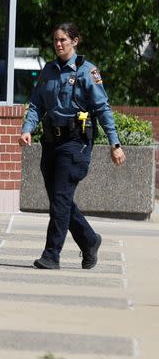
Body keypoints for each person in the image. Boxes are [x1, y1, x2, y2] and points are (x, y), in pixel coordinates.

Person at [19, 23, 126, 270]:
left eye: (63, 40)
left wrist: (115, 143)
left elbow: (102, 109)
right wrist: (27, 129)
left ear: (75, 41)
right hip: (51, 143)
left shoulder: (87, 72)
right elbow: (36, 104)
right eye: (55, 40)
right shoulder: (48, 71)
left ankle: (51, 255)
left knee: (60, 199)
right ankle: (89, 240)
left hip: (75, 143)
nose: (58, 44)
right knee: (61, 200)